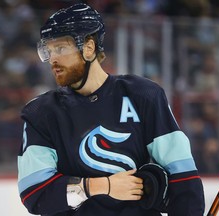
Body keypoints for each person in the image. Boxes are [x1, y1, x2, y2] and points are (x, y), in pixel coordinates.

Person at [17, 3, 205, 216]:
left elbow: (183, 176)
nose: (53, 59)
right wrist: (103, 186)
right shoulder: (40, 113)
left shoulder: (144, 96)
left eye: (60, 48)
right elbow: (35, 194)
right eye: (48, 51)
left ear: (88, 47)